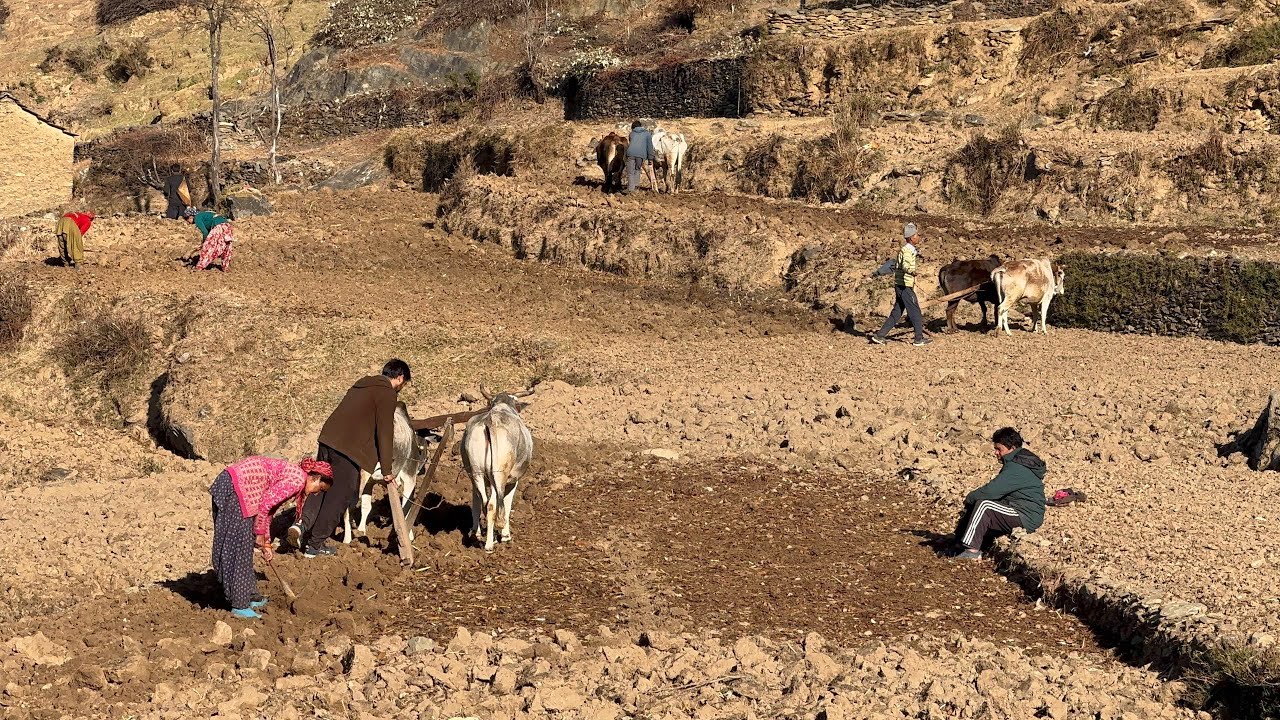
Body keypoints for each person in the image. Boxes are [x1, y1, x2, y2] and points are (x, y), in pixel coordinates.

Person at [289, 359, 412, 557]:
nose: (401, 388)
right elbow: (385, 431)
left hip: (328, 439)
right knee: (340, 496)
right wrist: (387, 470)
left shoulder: (362, 383)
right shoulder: (388, 393)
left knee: (318, 486)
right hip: (348, 449)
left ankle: (300, 525)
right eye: (404, 384)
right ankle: (315, 545)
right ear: (400, 378)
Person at [210, 456, 333, 619]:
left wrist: (266, 542)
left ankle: (249, 596)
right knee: (237, 548)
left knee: (245, 546)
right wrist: (259, 533)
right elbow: (266, 504)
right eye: (320, 489)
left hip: (240, 490)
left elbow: (269, 511)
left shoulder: (296, 477)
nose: (317, 493)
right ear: (315, 478)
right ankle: (239, 605)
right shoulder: (297, 480)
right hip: (235, 489)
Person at [950, 427, 1047, 560]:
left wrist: (969, 498)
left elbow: (991, 491)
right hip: (1017, 509)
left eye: (999, 449)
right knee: (981, 504)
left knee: (984, 506)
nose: (996, 453)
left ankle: (971, 550)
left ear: (1012, 448)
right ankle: (959, 543)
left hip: (1025, 515)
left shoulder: (1017, 468)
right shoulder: (1016, 463)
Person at [870, 222, 930, 346]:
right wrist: (912, 272)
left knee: (897, 312)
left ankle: (880, 335)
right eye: (917, 235)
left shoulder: (907, 249)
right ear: (911, 237)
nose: (918, 237)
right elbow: (905, 265)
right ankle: (919, 338)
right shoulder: (908, 251)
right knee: (915, 311)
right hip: (905, 286)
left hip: (900, 284)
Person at [184, 206, 235, 272]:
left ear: (191, 217)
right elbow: (208, 232)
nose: (188, 222)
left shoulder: (197, 218)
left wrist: (203, 243)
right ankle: (225, 267)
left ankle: (199, 266)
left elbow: (205, 232)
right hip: (227, 226)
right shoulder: (205, 214)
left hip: (218, 226)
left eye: (187, 219)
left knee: (208, 247)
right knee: (227, 247)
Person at [624, 119, 654, 194]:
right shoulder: (647, 134)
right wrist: (650, 158)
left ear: (633, 127)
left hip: (630, 153)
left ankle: (631, 189)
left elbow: (631, 143)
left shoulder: (631, 133)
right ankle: (636, 188)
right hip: (641, 155)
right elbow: (650, 147)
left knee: (630, 172)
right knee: (637, 170)